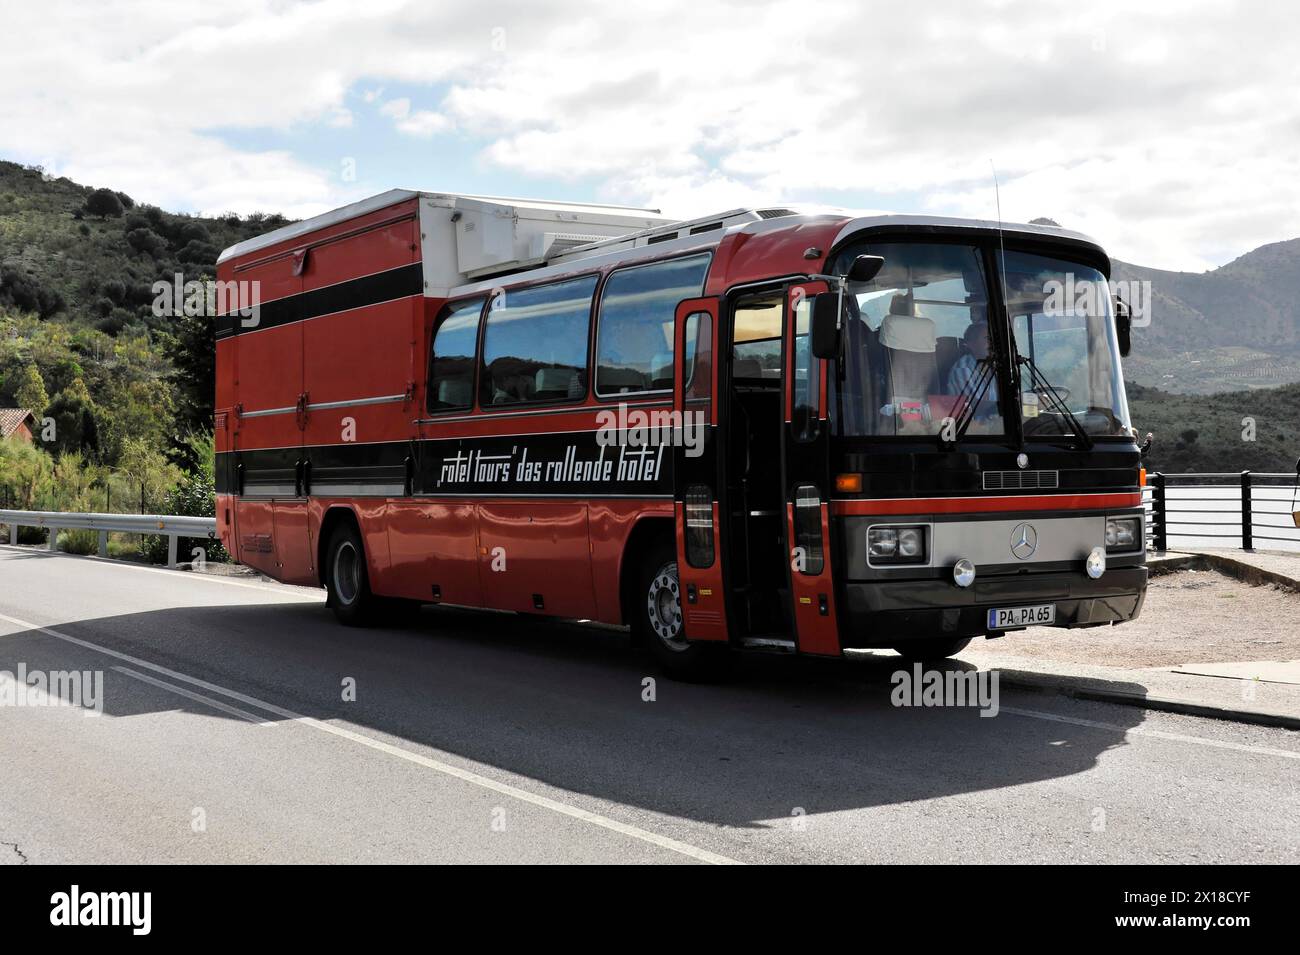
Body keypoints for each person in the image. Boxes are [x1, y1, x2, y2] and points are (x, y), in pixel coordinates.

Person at [947, 320, 998, 404]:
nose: (992, 343)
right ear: (971, 344)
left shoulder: (996, 365)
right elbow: (976, 406)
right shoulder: (962, 369)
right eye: (987, 338)